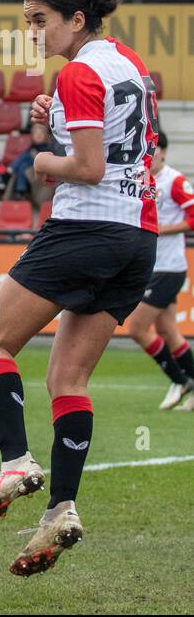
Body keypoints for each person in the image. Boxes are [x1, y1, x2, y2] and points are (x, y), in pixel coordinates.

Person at [0, 0, 155, 577]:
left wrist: (44, 156)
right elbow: (127, 146)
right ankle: (60, 510)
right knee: (68, 379)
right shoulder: (128, 63)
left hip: (85, 229)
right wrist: (56, 123)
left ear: (76, 19)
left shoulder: (77, 71)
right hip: (136, 237)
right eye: (27, 21)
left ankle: (16, 461)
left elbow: (92, 168)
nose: (33, 31)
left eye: (39, 20)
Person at [120, 132, 194, 412]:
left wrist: (161, 229)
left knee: (137, 327)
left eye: (154, 150)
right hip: (151, 265)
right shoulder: (141, 178)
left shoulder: (175, 181)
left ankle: (178, 379)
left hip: (169, 268)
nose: (150, 156)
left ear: (163, 151)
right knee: (167, 330)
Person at [9, 122, 55, 200]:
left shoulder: (48, 147)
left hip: (40, 172)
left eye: (41, 133)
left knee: (25, 162)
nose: (38, 135)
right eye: (36, 133)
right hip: (30, 169)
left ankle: (20, 190)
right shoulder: (32, 147)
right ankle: (21, 191)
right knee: (24, 163)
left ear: (46, 135)